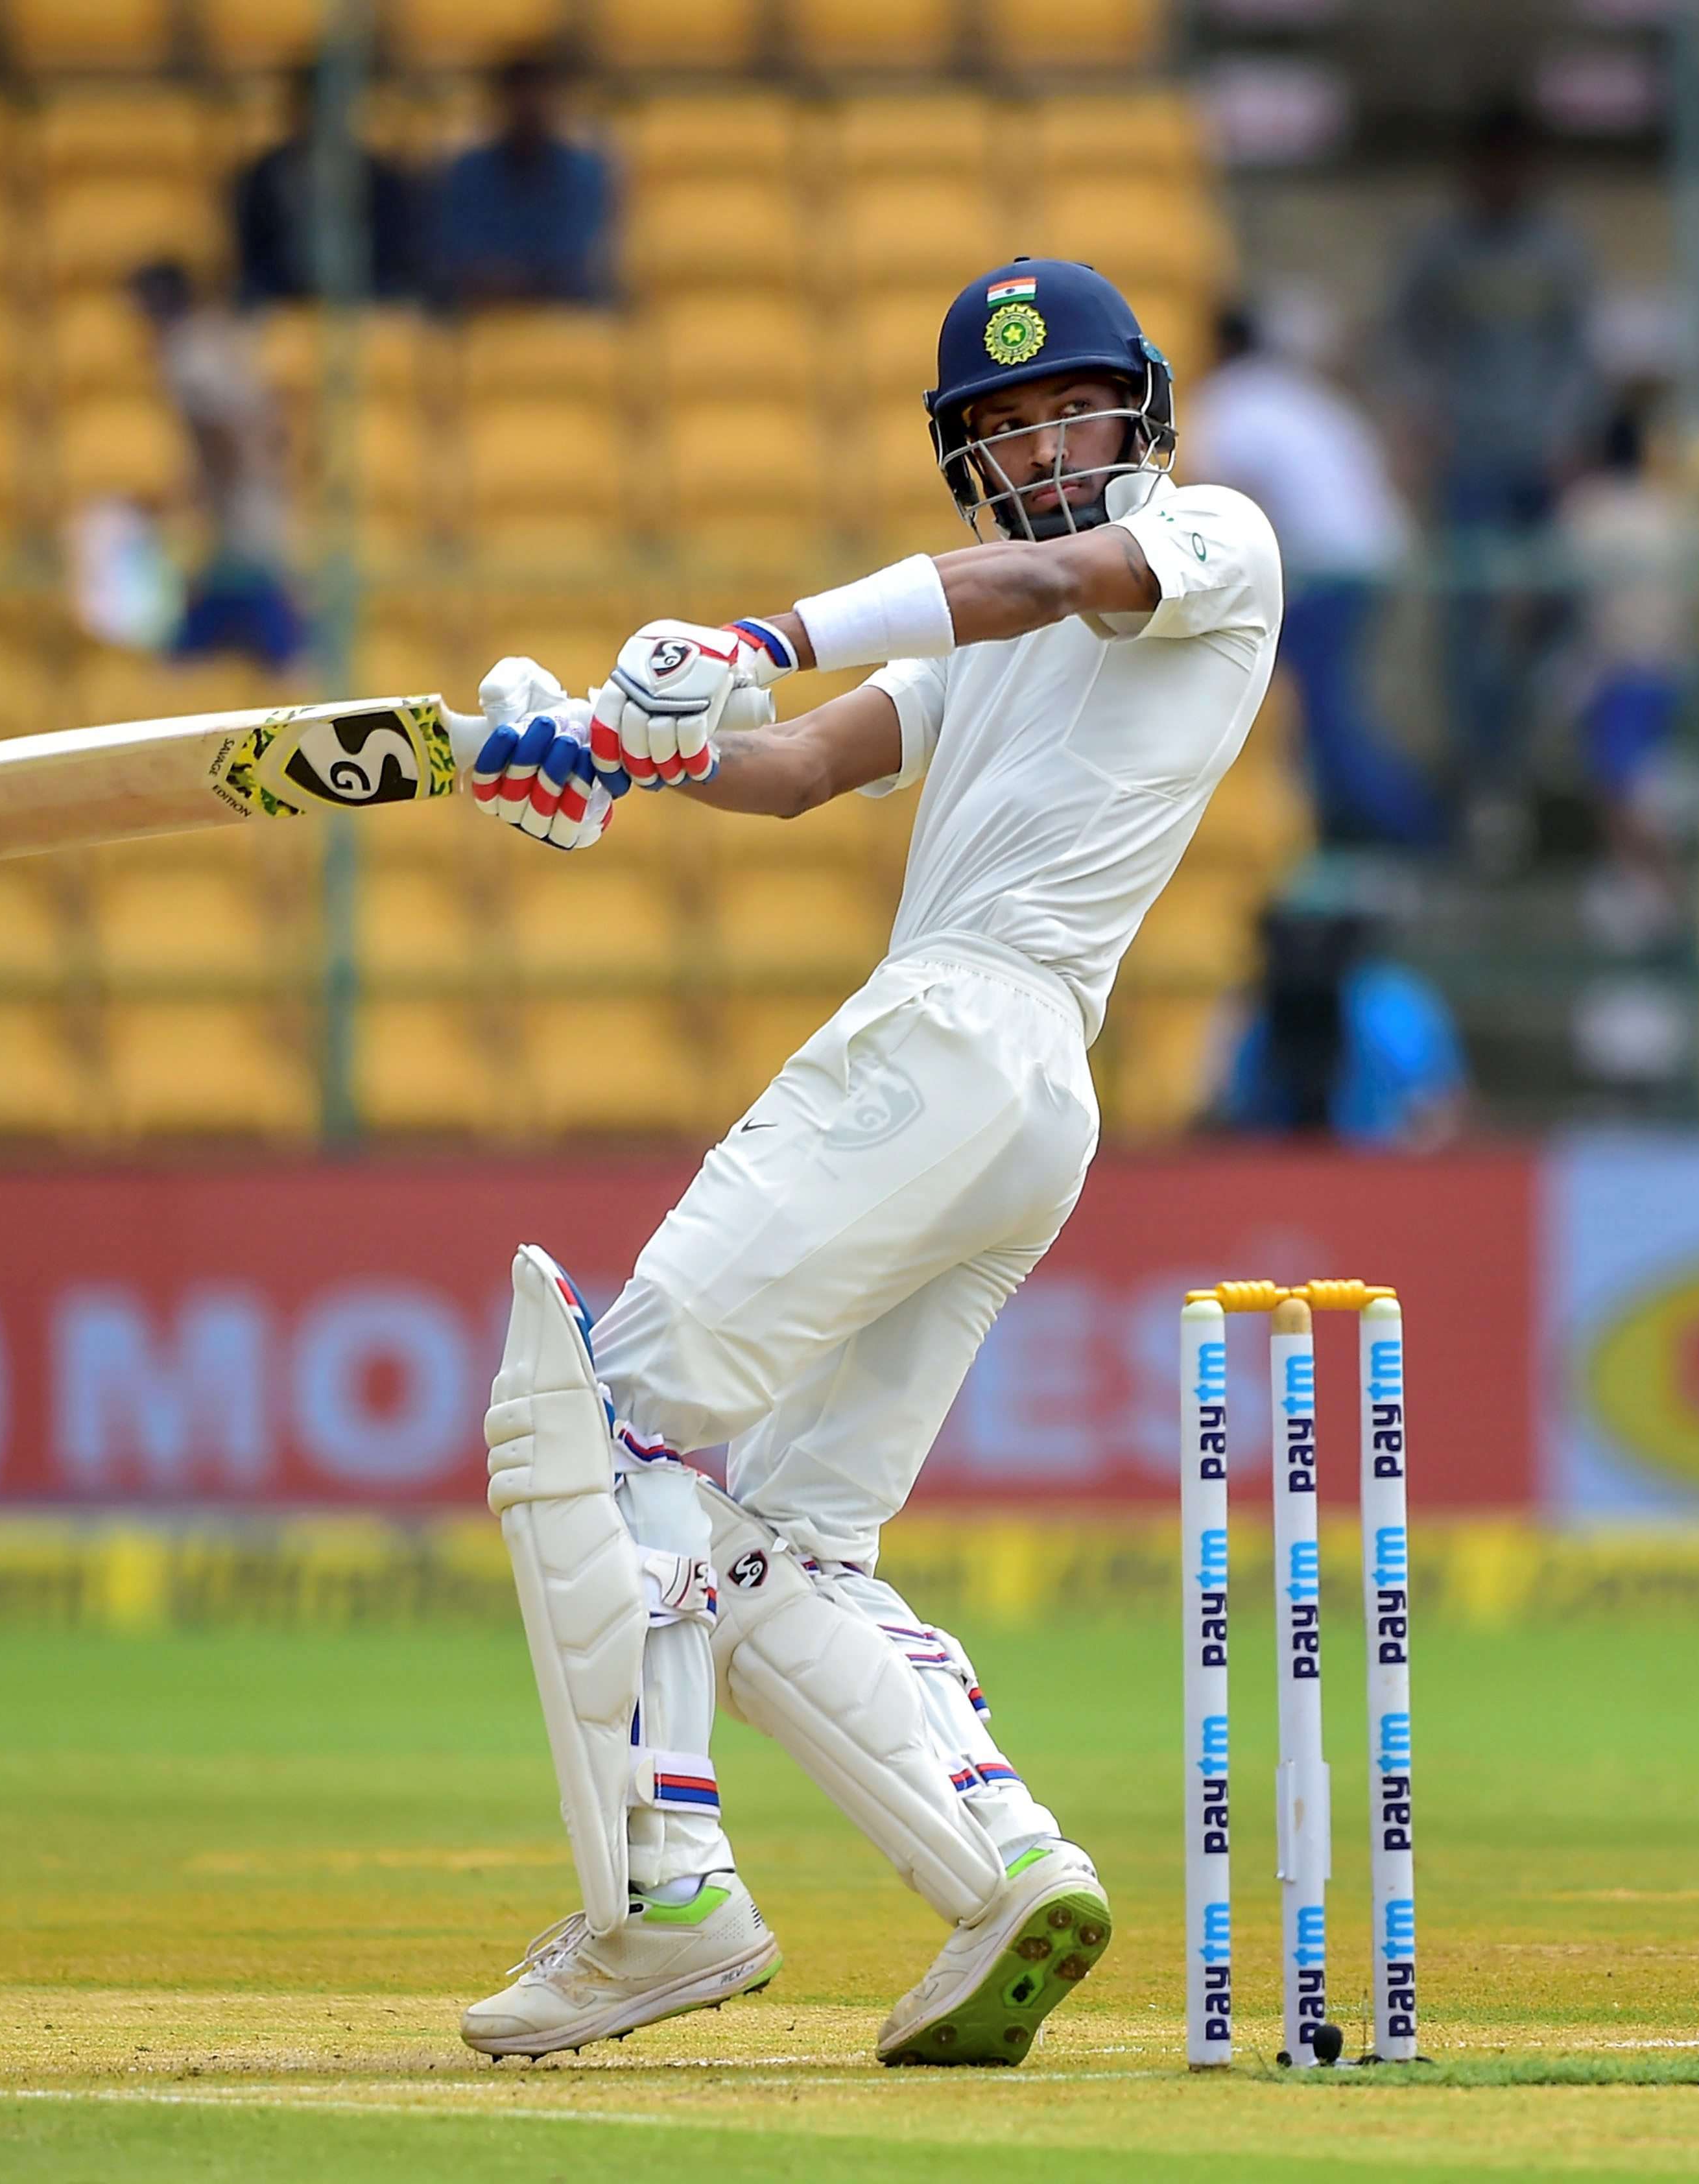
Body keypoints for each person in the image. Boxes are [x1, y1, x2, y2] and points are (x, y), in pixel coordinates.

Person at [449, 259, 1279, 2067]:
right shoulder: (973, 645)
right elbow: (802, 767)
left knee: (604, 1420)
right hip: (1022, 1101)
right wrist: (591, 753)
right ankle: (1006, 1871)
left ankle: (657, 1897)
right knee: (788, 1547)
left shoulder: (1211, 542)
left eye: (1069, 405)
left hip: (968, 1034)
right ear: (963, 456)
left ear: (1137, 412)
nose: (1044, 445)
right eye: (1001, 426)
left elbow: (1054, 580)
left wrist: (746, 637)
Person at [1389, 102, 1597, 868]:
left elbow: (1580, 352)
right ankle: (1483, 779)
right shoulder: (1440, 252)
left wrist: (1572, 437)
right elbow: (1405, 343)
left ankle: (1534, 748)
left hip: (1540, 463)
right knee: (1469, 624)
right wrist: (1421, 420)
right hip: (1469, 462)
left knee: (1558, 612)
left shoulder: (1559, 252)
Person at [1191, 300, 1442, 847]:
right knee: (1321, 710)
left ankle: (1409, 833)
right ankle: (1370, 833)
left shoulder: (1229, 399)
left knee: (1317, 712)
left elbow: (1218, 501)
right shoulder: (1294, 392)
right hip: (1370, 557)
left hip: (1329, 570)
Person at [1559, 405, 1698, 924]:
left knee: (1619, 788)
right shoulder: (1674, 508)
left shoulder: (1589, 508)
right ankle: (1654, 889)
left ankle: (1667, 892)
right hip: (1674, 667)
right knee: (1644, 785)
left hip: (1625, 670)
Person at [127, 260, 302, 671]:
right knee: (238, 598)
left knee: (250, 594)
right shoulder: (219, 337)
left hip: (237, 506)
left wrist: (203, 498)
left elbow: (215, 431)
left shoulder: (186, 351)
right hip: (255, 494)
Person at [1211, 901, 1468, 1147]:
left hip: (1379, 1159)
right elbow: (1230, 1111)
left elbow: (1441, 1110)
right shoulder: (1251, 1010)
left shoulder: (1389, 1006)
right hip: (1278, 1156)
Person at [426, 49, 613, 311]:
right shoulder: (467, 172)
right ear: (500, 103)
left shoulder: (584, 172)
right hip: (481, 315)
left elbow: (575, 262)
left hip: (564, 319)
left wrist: (515, 280)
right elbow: (457, 257)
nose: (531, 110)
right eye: (521, 97)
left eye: (541, 97)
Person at [228, 64, 423, 305]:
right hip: (281, 293)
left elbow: (395, 251)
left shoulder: (380, 177)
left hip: (368, 293)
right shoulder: (266, 175)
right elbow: (254, 252)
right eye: (312, 106)